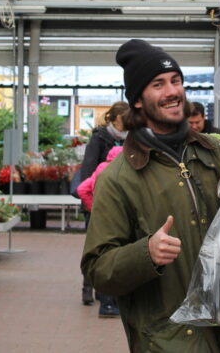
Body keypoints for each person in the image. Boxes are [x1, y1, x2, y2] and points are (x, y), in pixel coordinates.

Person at [81, 39, 220, 352]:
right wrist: (145, 254)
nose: (172, 92)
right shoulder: (120, 178)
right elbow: (98, 269)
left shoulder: (219, 153)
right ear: (137, 100)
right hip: (175, 341)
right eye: (158, 84)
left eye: (176, 81)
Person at [78, 101, 129, 316]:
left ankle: (104, 291)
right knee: (95, 246)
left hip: (118, 202)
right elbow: (88, 168)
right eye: (127, 116)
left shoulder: (132, 137)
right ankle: (88, 288)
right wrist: (90, 203)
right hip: (96, 200)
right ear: (117, 117)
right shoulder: (100, 137)